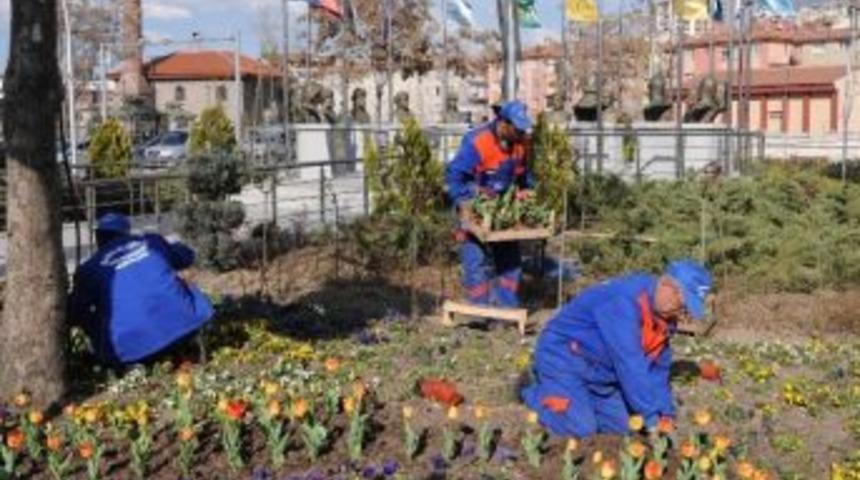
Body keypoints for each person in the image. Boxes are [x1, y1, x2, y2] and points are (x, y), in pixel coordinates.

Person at [521, 260, 713, 437]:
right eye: (684, 304)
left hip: (601, 373)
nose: (682, 314)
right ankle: (534, 392)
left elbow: (658, 370)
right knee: (581, 429)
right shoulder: (624, 302)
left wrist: (665, 414)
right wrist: (652, 419)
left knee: (623, 431)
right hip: (564, 357)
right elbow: (629, 364)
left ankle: (579, 400)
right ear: (668, 287)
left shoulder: (666, 319)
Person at [69, 213, 214, 366]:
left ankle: (112, 352)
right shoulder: (151, 242)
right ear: (126, 232)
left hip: (130, 352)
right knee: (181, 282)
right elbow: (186, 257)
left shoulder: (89, 269)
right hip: (186, 327)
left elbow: (74, 312)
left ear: (97, 237)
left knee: (88, 312)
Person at [445, 100, 535, 308]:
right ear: (503, 123)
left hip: (503, 212)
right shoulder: (478, 141)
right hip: (474, 208)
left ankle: (506, 308)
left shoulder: (521, 145)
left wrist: (526, 191)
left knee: (511, 262)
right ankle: (480, 310)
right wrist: (467, 199)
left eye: (523, 130)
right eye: (517, 129)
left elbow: (524, 176)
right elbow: (454, 176)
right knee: (475, 261)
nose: (521, 134)